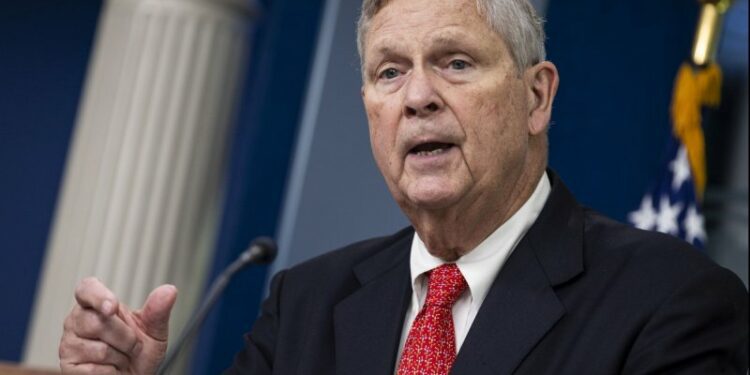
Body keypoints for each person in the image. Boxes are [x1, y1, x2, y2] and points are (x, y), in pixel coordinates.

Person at [59, 0, 749, 373]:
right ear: (367, 106)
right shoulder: (305, 300)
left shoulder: (670, 299)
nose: (417, 96)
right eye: (389, 72)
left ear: (536, 98)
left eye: (454, 62)